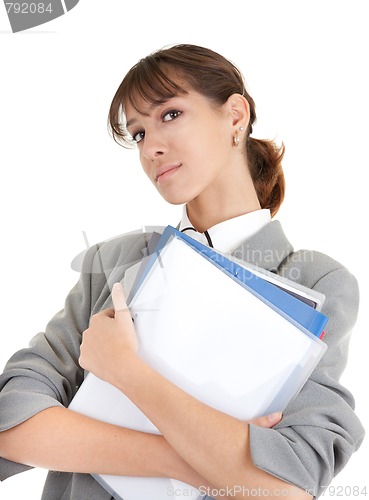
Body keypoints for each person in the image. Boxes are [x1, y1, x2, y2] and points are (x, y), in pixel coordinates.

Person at [0, 44, 364, 500]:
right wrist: (192, 460)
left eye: (170, 114)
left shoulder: (315, 282)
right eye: (137, 134)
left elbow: (286, 486)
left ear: (235, 116)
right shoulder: (109, 263)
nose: (151, 147)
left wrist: (125, 370)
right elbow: (11, 422)